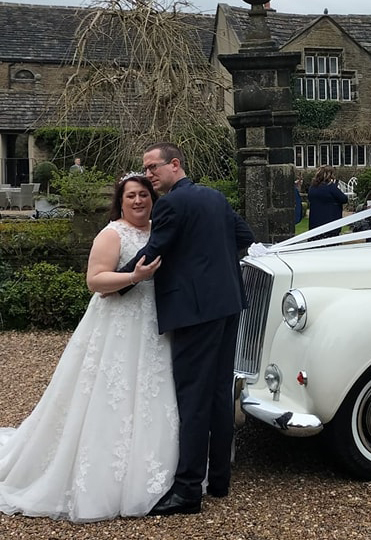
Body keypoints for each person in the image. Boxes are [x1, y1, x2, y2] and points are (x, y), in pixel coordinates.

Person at [0, 174, 172, 523]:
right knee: (108, 393)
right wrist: (134, 277)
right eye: (131, 196)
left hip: (151, 324)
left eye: (144, 195)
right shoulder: (112, 233)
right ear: (120, 201)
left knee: (149, 392)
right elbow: (95, 281)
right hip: (117, 324)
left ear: (153, 198)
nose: (138, 201)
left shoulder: (158, 230)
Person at [117, 142, 255, 516]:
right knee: (218, 394)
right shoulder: (215, 198)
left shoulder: (172, 204)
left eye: (152, 167)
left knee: (193, 400)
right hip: (228, 305)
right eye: (145, 169)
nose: (148, 174)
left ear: (175, 164)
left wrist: (118, 282)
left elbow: (154, 253)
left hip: (194, 312)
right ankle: (220, 480)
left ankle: (188, 491)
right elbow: (244, 238)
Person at [307, 165, 348, 239]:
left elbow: (309, 199)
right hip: (330, 223)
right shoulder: (331, 187)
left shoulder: (312, 187)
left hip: (315, 223)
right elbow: (344, 199)